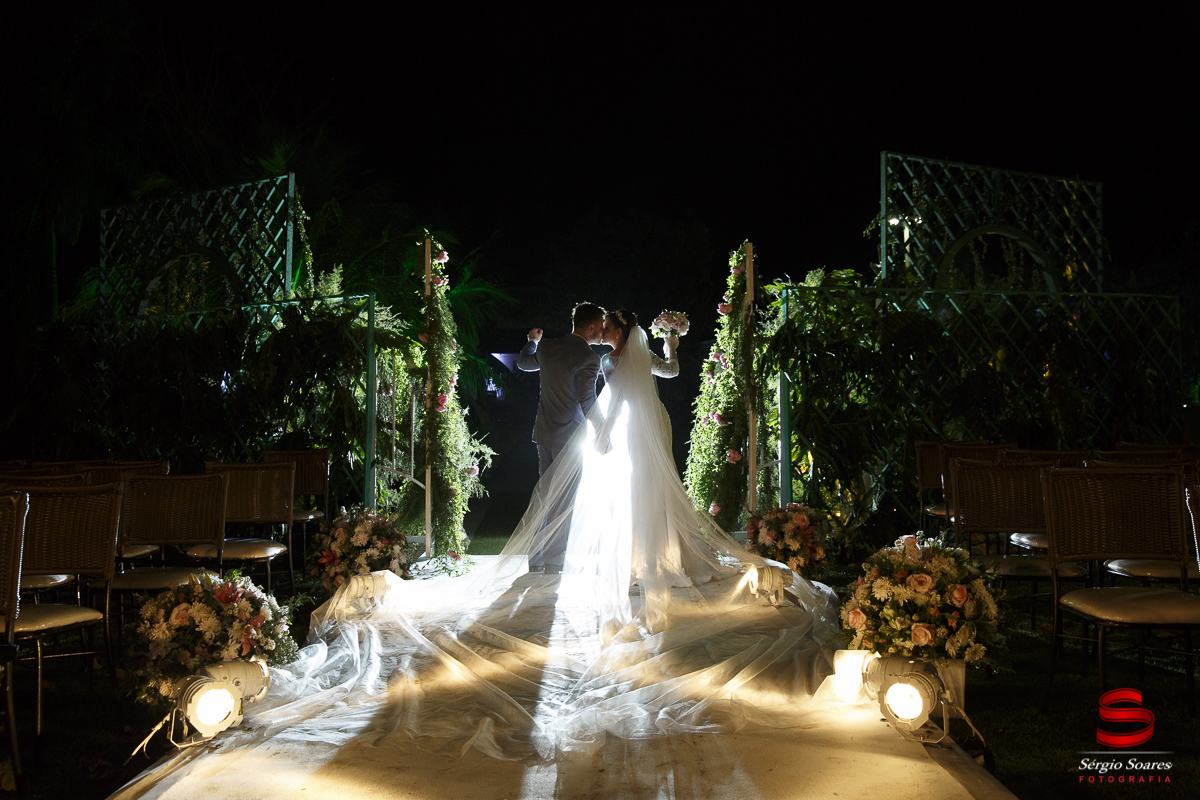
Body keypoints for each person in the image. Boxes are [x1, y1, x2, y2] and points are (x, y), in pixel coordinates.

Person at [257, 316, 841, 767]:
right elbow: (585, 386)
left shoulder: (611, 351)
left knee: (636, 498)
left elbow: (660, 374)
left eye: (615, 328)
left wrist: (666, 344)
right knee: (601, 499)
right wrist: (606, 420)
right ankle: (609, 557)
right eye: (606, 328)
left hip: (633, 429)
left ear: (621, 328)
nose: (609, 334)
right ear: (600, 329)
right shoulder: (595, 355)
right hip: (609, 428)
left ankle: (642, 557)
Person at [516, 302, 605, 571]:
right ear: (590, 326)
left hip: (544, 432)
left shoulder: (547, 347)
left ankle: (535, 560)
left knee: (544, 494)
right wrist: (602, 429)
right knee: (564, 499)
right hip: (570, 439)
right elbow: (587, 399)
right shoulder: (589, 358)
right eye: (601, 326)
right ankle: (555, 562)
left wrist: (532, 341)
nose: (602, 331)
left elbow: (522, 363)